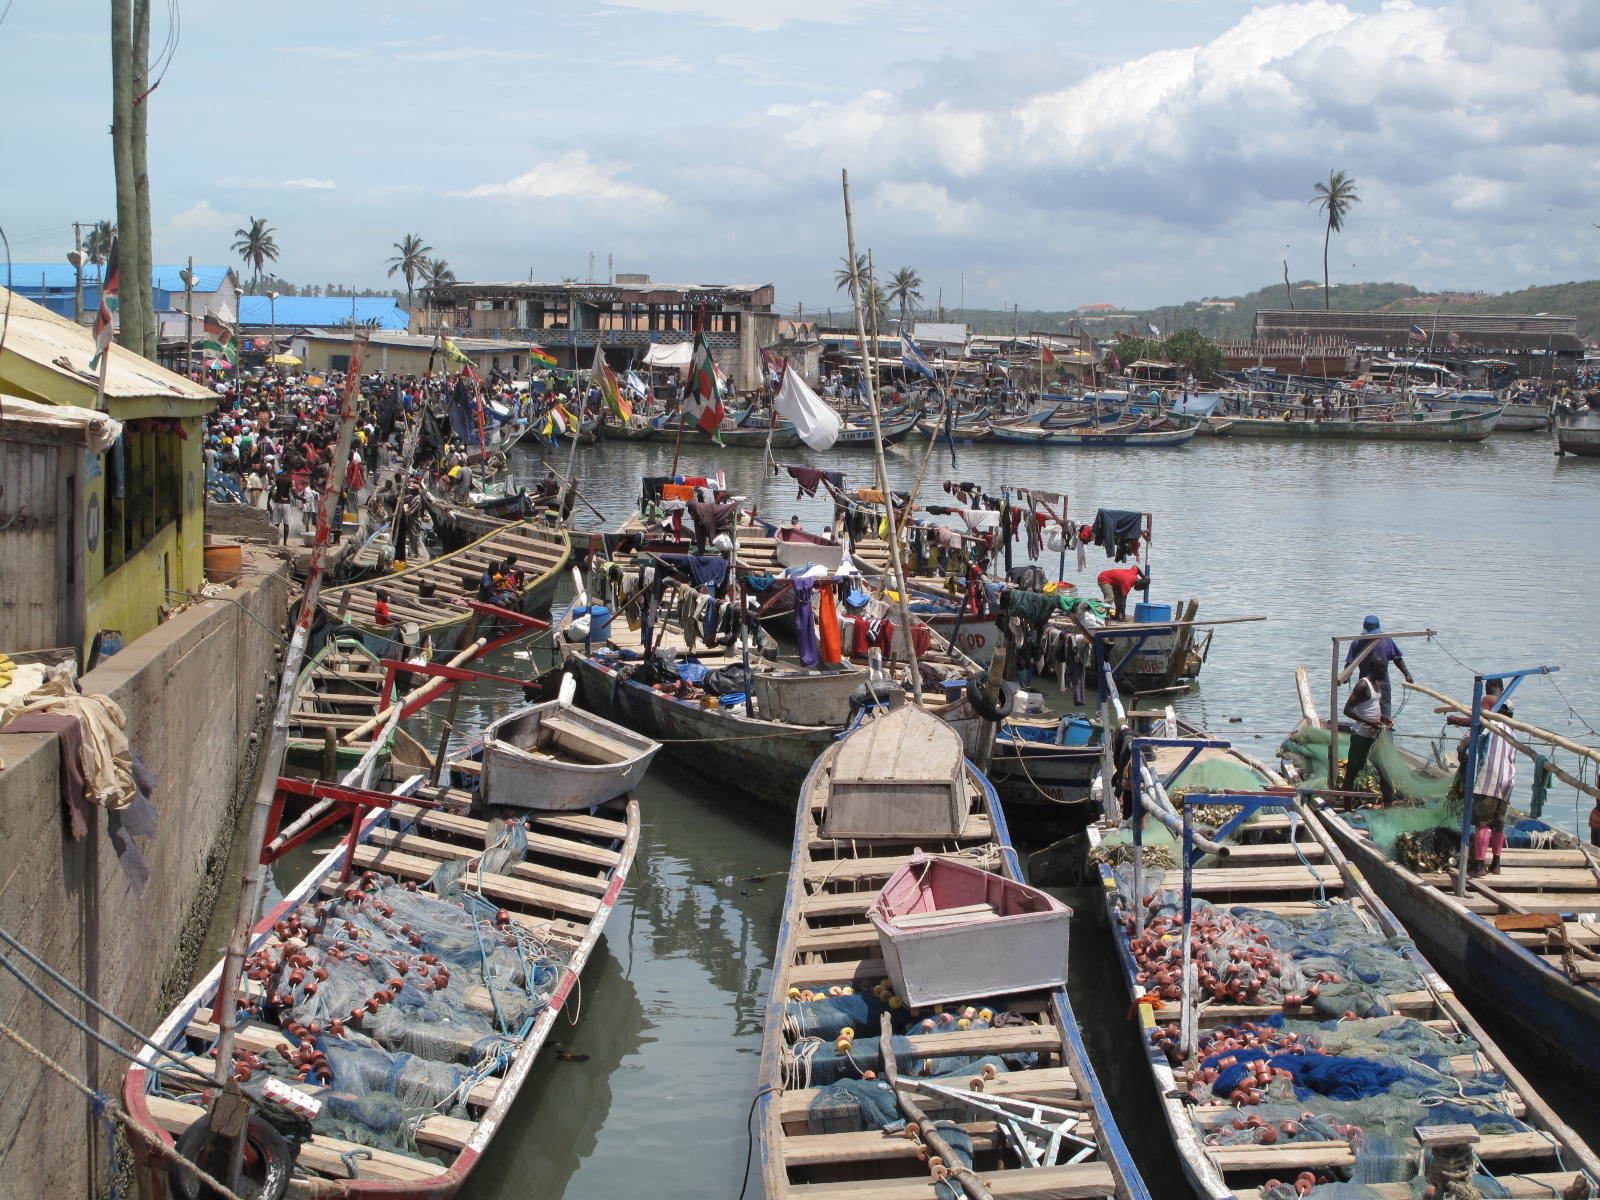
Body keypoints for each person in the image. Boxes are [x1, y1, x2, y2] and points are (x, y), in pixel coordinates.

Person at [1345, 615, 1415, 719]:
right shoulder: (1357, 642)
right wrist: (1346, 675)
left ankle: (1384, 730)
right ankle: (1368, 728)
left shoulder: (1386, 640)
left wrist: (1407, 674)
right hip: (1365, 685)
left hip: (1383, 683)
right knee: (1367, 711)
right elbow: (1350, 664)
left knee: (1384, 710)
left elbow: (1397, 658)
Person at [1338, 673, 1391, 795]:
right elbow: (1348, 710)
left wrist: (1383, 718)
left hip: (1374, 735)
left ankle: (1388, 805)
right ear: (1373, 668)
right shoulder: (1362, 685)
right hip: (1361, 734)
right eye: (1381, 668)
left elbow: (1369, 708)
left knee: (1383, 768)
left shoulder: (1376, 685)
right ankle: (1347, 807)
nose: (1384, 672)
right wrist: (1369, 722)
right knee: (1353, 769)